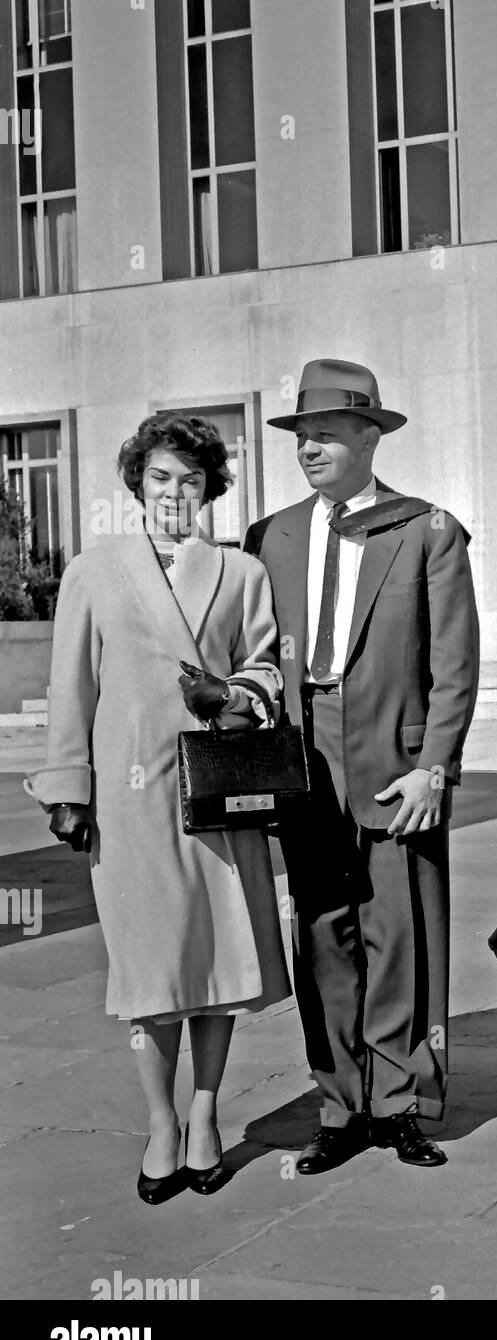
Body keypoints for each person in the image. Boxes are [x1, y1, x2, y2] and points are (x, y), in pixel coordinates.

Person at [25, 412, 290, 1203]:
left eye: (194, 479)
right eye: (163, 477)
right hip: (130, 800)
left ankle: (205, 1116)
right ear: (137, 482)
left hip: (216, 790)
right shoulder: (93, 572)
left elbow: (267, 669)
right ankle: (160, 1123)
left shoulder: (241, 573)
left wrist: (236, 692)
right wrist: (68, 789)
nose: (177, 492)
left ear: (212, 488)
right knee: (150, 970)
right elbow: (69, 689)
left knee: (215, 962)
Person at [245, 358, 479, 1175]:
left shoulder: (427, 528)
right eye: (302, 435)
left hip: (394, 751)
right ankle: (340, 1104)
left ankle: (399, 1103)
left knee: (399, 931)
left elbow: (455, 662)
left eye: (327, 433)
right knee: (322, 932)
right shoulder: (270, 535)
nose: (310, 446)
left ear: (369, 437)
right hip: (304, 755)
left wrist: (435, 768)